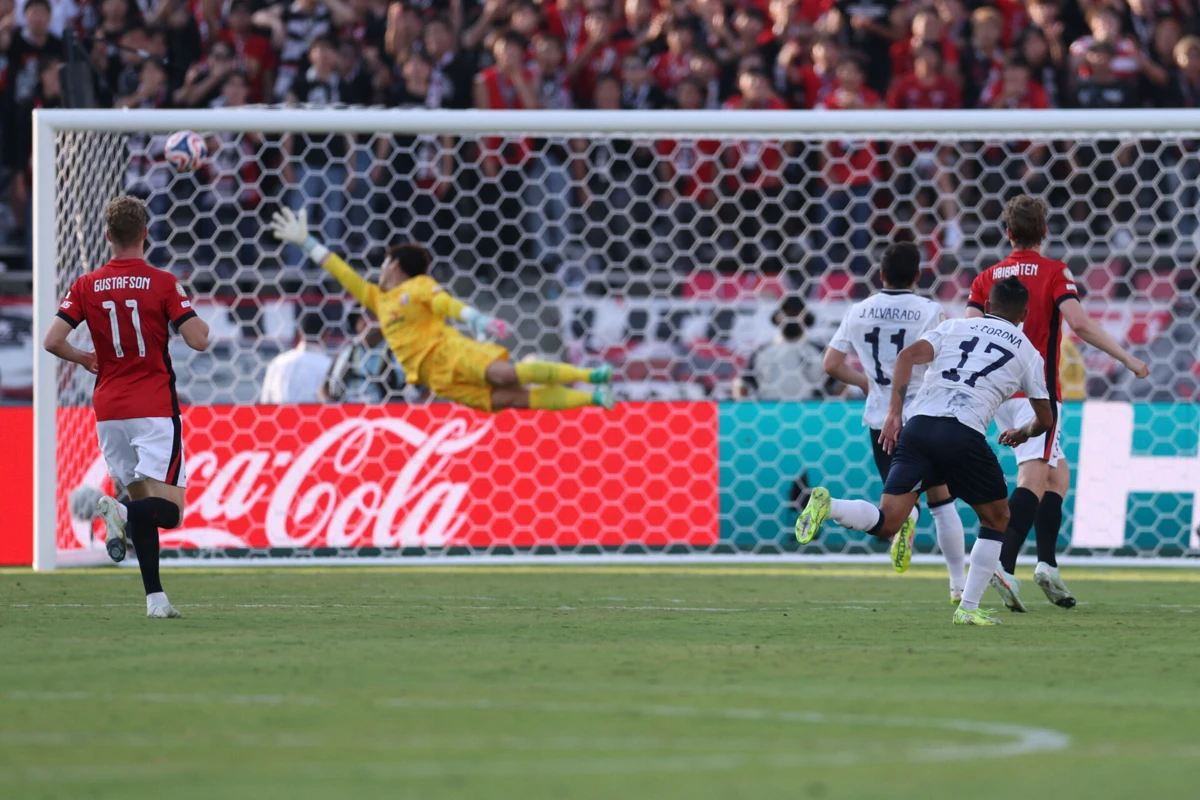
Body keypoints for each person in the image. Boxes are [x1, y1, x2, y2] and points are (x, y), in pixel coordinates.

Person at [797, 277, 1055, 626]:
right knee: (997, 519)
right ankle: (967, 606)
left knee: (889, 522)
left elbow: (907, 356)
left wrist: (893, 412)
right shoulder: (1027, 352)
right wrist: (1022, 433)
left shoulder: (954, 327)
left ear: (988, 306)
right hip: (963, 432)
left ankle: (830, 506)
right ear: (1024, 314)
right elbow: (1045, 417)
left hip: (918, 426)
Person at [965, 195, 1149, 611]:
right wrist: (1128, 358)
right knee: (1033, 478)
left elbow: (970, 332)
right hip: (1038, 394)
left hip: (996, 392)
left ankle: (1046, 563)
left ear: (1008, 232)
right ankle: (1003, 566)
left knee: (1058, 477)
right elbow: (1080, 323)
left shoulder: (987, 278)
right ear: (1045, 232)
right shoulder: (1054, 273)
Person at [42, 196, 210, 619]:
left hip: (109, 411)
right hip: (153, 408)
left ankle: (155, 600)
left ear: (106, 235)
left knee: (143, 510)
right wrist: (187, 304)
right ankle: (116, 511)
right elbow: (199, 340)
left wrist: (84, 358)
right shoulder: (163, 282)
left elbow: (52, 340)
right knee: (168, 513)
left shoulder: (85, 285)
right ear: (146, 233)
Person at [269, 208, 615, 412]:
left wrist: (474, 317)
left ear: (396, 266)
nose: (381, 269)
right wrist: (307, 243)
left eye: (386, 263)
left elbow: (443, 303)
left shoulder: (416, 287)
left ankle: (590, 377)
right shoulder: (376, 299)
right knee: (514, 399)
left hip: (449, 352)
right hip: (437, 378)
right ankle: (595, 400)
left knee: (507, 374)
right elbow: (342, 271)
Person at [821, 242, 968, 600]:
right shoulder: (930, 310)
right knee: (942, 501)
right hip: (924, 417)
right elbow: (945, 363)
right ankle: (958, 585)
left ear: (881, 274)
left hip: (879, 420)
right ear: (918, 276)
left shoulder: (859, 310)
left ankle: (906, 520)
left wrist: (869, 383)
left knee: (899, 502)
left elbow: (831, 364)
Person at [734, 296, 826, 402]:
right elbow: (741, 384)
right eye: (786, 312)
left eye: (796, 312)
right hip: (768, 415)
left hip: (810, 415)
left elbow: (839, 385)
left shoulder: (820, 352)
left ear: (806, 316)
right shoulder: (761, 352)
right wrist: (746, 411)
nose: (791, 316)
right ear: (777, 316)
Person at [260, 312, 333, 404]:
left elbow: (265, 403)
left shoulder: (277, 362)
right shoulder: (328, 365)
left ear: (299, 333)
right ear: (326, 335)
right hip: (314, 417)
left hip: (281, 417)